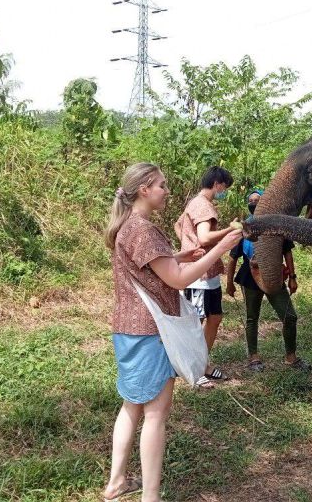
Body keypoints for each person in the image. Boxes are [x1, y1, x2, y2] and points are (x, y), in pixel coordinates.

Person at [102, 162, 242, 502]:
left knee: (132, 407)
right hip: (150, 333)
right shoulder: (143, 230)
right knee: (155, 414)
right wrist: (220, 249)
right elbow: (178, 279)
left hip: (128, 329)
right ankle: (150, 497)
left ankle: (117, 482)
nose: (168, 191)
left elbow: (150, 265)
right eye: (162, 185)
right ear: (146, 189)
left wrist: (179, 254)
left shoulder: (128, 226)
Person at [226, 189, 310, 372]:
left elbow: (287, 252)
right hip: (250, 275)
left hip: (274, 273)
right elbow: (233, 257)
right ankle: (253, 357)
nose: (254, 203)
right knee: (251, 318)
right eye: (251, 200)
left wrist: (293, 278)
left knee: (289, 316)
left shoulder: (276, 225)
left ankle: (291, 357)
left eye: (258, 200)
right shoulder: (245, 228)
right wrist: (229, 282)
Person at [175, 165, 236, 385]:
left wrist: (186, 245)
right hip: (198, 277)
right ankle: (194, 368)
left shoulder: (194, 202)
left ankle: (202, 363)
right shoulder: (203, 206)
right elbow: (204, 238)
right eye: (225, 187)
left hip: (206, 273)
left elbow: (178, 226)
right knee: (197, 322)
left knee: (215, 318)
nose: (224, 191)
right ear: (217, 183)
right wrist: (230, 230)